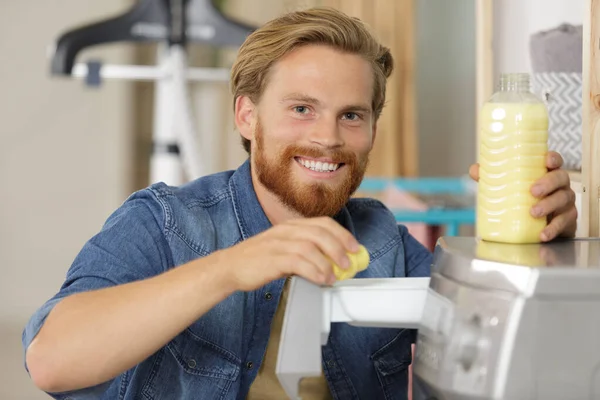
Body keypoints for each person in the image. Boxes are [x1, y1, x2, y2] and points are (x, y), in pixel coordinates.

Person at [22, 7, 577, 400]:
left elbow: (505, 341)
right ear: (247, 115)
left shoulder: (383, 242)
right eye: (302, 109)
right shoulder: (166, 222)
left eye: (351, 115)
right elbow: (52, 360)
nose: (329, 138)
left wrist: (543, 238)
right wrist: (229, 269)